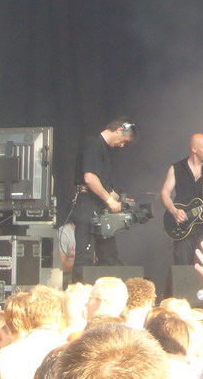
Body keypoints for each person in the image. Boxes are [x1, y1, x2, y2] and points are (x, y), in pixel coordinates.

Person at [70, 117, 137, 283]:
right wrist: (110, 201)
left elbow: (104, 185)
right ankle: (79, 294)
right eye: (124, 140)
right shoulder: (93, 144)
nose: (122, 145)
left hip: (100, 206)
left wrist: (118, 199)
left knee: (109, 256)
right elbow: (90, 178)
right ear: (118, 130)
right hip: (87, 204)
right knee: (84, 256)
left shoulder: (104, 150)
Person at [161, 133, 203, 265]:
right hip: (183, 224)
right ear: (194, 149)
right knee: (182, 264)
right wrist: (174, 211)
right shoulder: (176, 168)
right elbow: (165, 192)